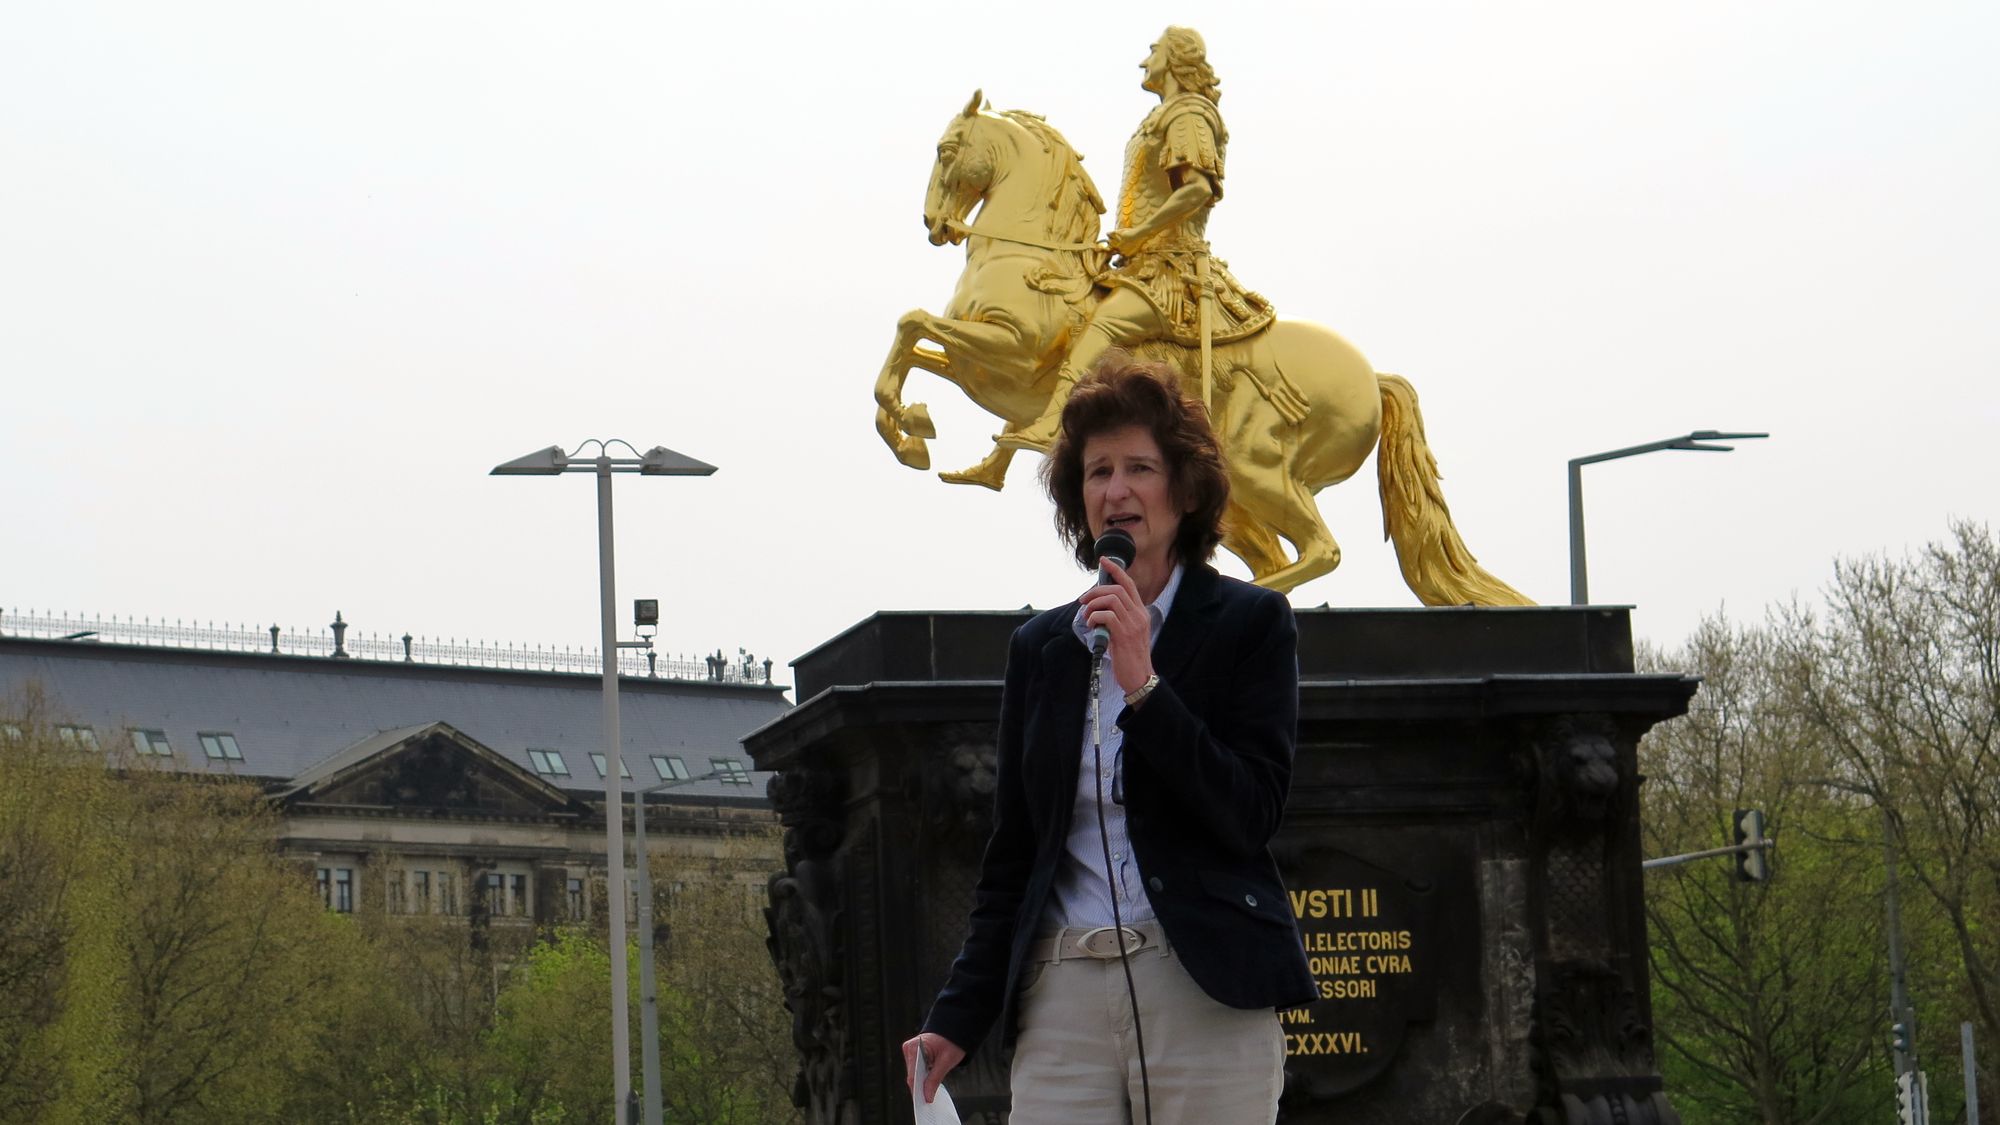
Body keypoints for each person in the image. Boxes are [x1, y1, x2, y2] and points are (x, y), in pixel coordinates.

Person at [904, 353, 1315, 1124]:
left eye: (1138, 468)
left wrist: (1144, 685)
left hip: (1201, 985)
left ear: (1184, 490)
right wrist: (957, 1017)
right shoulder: (1042, 648)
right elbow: (1014, 854)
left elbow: (1250, 811)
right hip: (1062, 994)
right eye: (1097, 472)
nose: (1115, 491)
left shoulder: (1251, 625)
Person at [997, 27, 1276, 454]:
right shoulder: (1163, 116)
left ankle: (1050, 425)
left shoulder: (1188, 114)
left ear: (1175, 58)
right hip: (1140, 264)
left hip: (1171, 272)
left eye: (1154, 51)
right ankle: (1000, 456)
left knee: (1103, 326)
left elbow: (1197, 189)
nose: (1145, 60)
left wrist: (1138, 235)